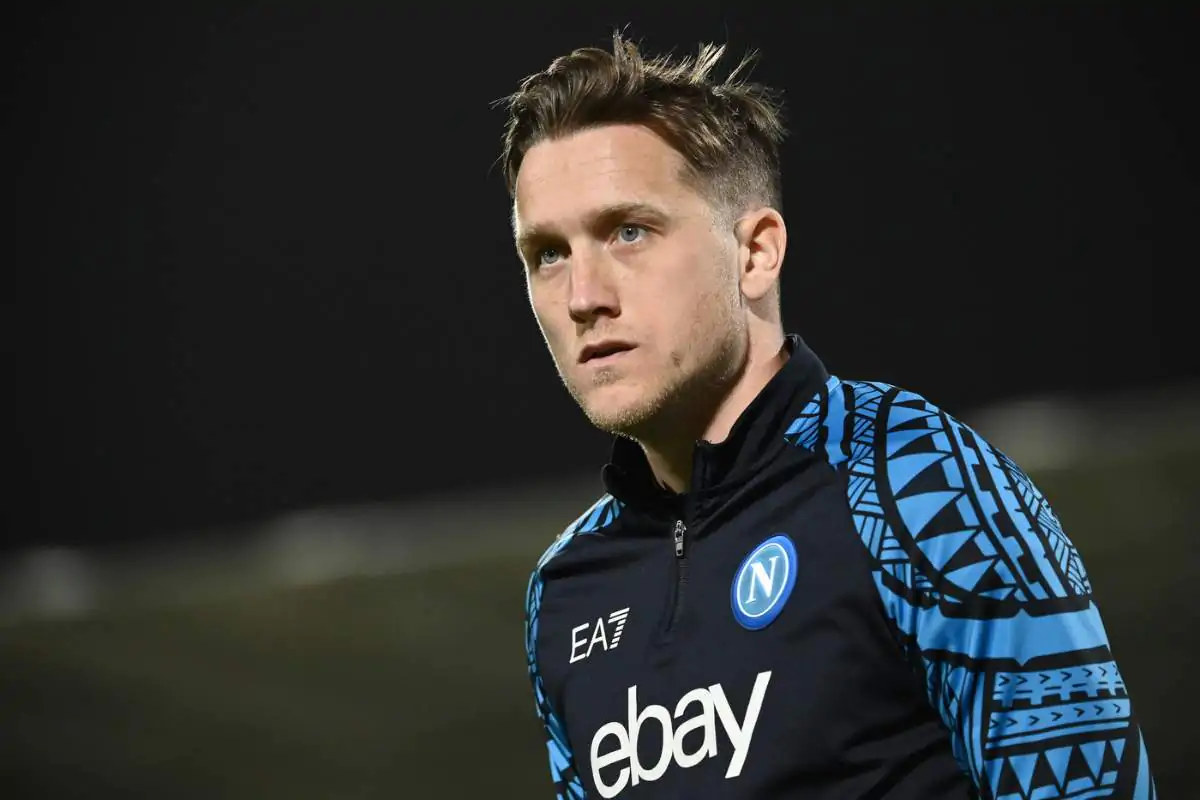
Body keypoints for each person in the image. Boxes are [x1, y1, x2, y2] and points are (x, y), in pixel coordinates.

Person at [498, 31, 1155, 799]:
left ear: (755, 253)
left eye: (629, 231)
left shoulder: (913, 481)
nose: (583, 296)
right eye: (548, 254)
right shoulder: (567, 590)